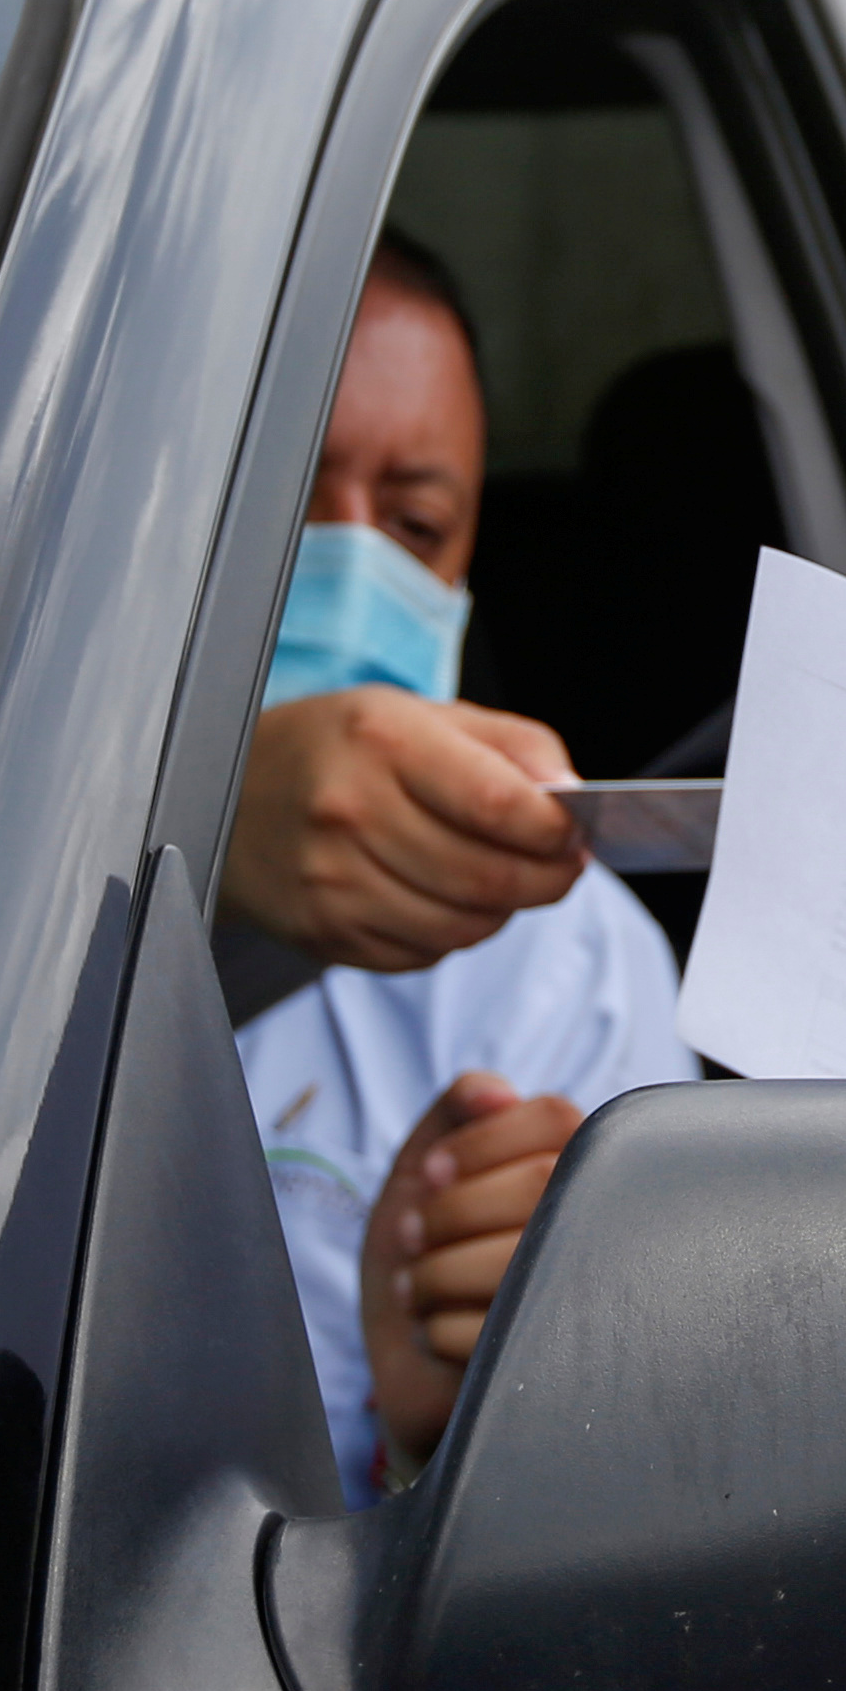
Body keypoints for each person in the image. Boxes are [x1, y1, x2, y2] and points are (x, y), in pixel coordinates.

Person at [224, 231, 694, 1502]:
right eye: (281, 488)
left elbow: (614, 1527)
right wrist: (201, 865)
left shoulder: (559, 954)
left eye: (414, 524)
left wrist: (447, 1434)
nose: (348, 557)